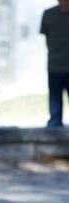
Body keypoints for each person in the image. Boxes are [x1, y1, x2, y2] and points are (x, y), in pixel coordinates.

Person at [40, 0, 69, 128]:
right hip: (55, 64)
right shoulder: (48, 14)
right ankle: (55, 123)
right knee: (55, 97)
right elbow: (47, 39)